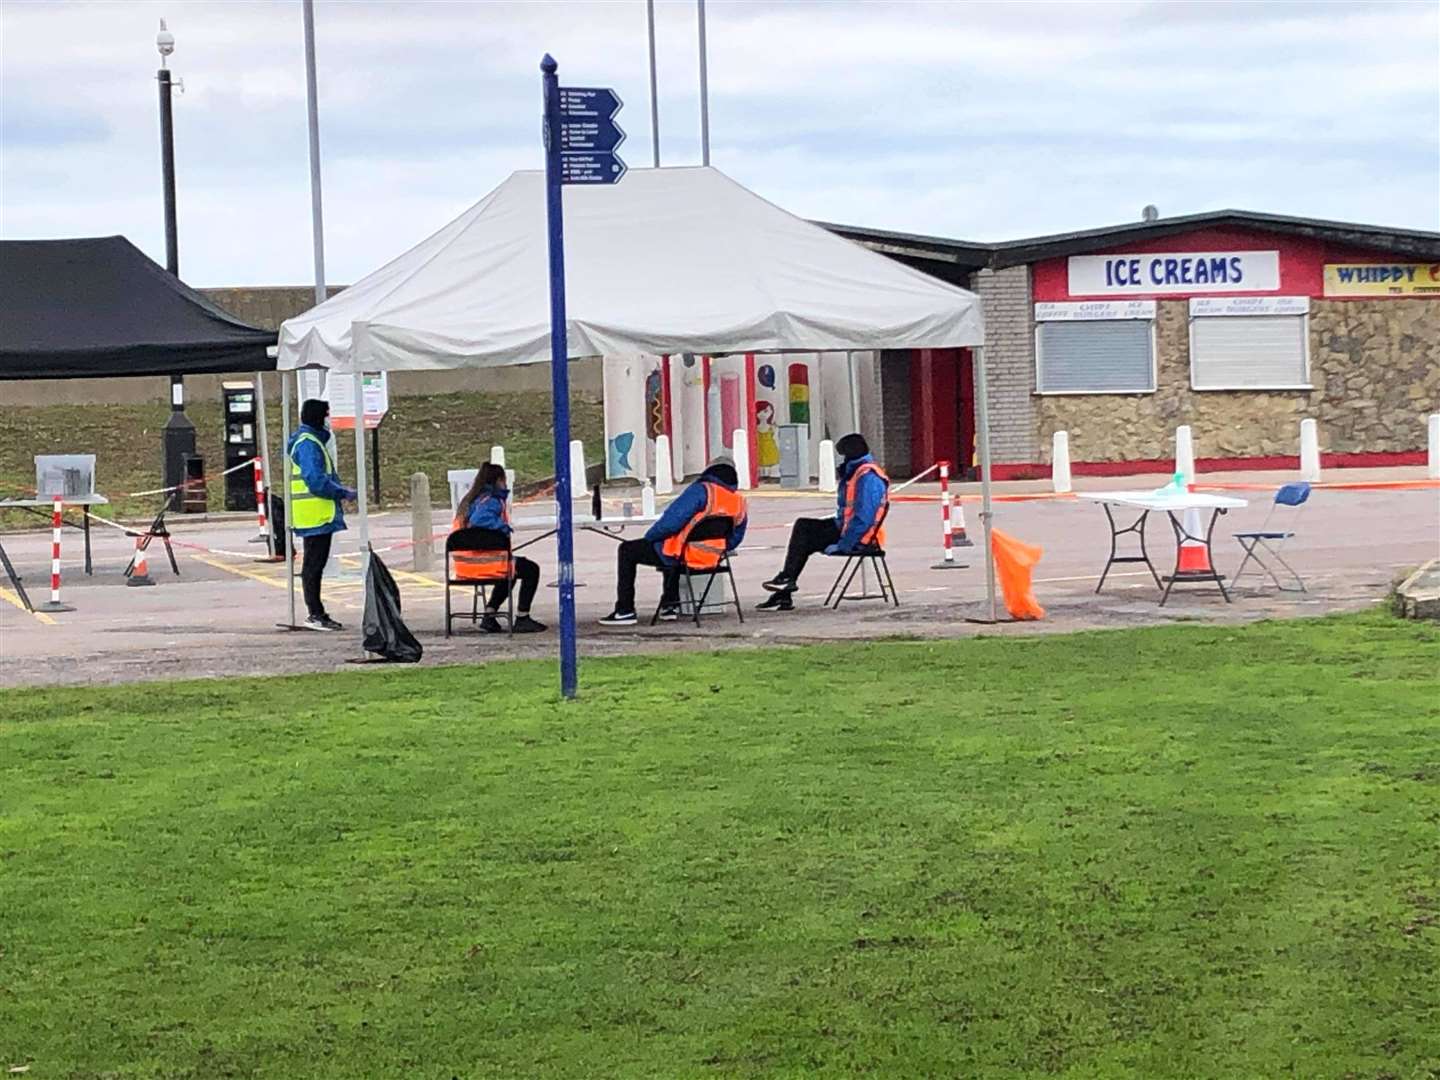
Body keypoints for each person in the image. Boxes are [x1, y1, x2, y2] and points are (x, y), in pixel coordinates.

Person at [599, 460, 747, 626]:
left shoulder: (701, 491)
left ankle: (625, 610)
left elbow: (670, 523)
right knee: (671, 547)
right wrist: (718, 549)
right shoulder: (738, 501)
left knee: (629, 549)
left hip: (683, 556)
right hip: (713, 559)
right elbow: (736, 536)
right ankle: (670, 605)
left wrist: (650, 537)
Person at [757, 433, 889, 611]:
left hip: (861, 538)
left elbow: (863, 518)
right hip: (846, 529)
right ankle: (785, 586)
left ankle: (785, 584)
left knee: (805, 534)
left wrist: (844, 545)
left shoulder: (868, 477)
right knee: (804, 528)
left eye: (843, 455)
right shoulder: (858, 472)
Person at [287, 398, 357, 632]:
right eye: (326, 415)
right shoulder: (309, 444)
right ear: (319, 417)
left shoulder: (308, 440)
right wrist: (343, 493)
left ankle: (316, 611)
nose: (328, 421)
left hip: (313, 514)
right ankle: (315, 613)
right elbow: (315, 480)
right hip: (316, 513)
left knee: (314, 565)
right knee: (314, 565)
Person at [452, 463, 546, 634]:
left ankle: (490, 614)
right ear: (498, 481)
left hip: (464, 566)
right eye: (504, 480)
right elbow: (480, 521)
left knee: (512, 568)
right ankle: (523, 616)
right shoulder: (491, 501)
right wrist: (503, 527)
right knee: (530, 569)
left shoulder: (468, 501)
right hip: (487, 563)